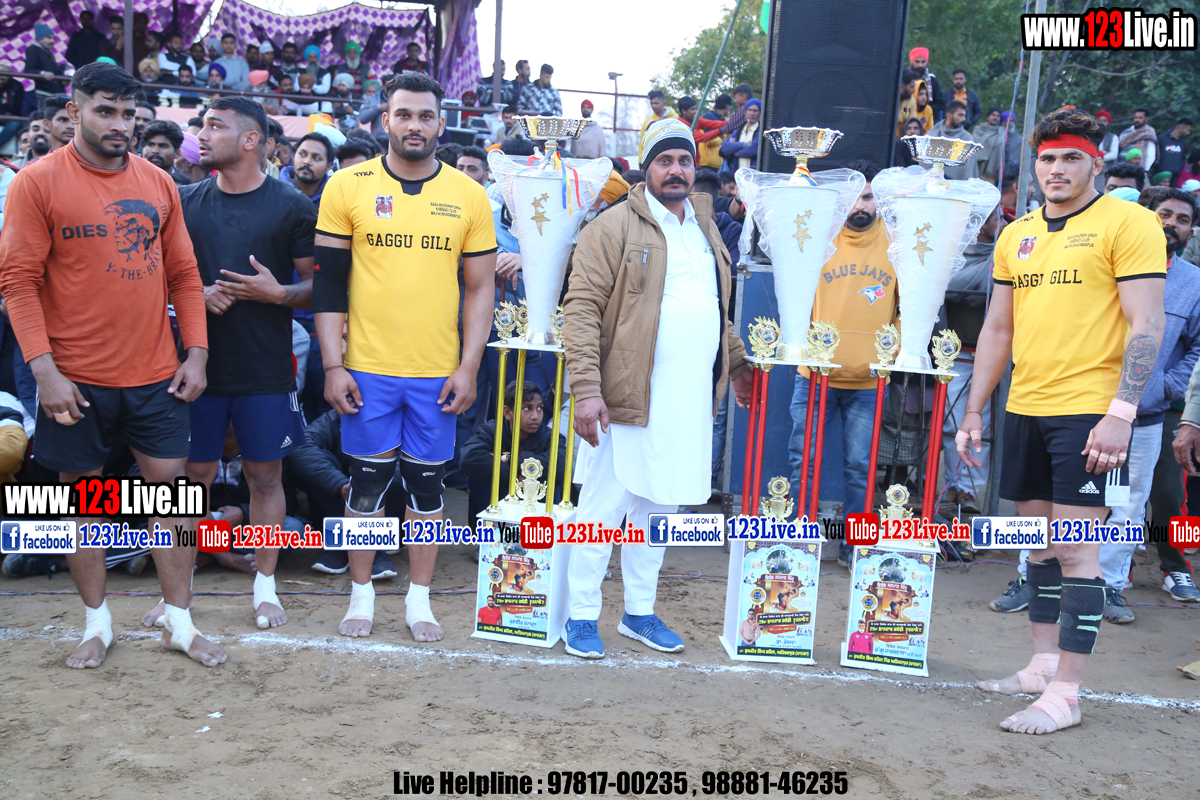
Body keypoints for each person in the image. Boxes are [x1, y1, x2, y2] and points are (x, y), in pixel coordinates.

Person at [0, 62, 221, 668]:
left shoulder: (158, 182)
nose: (119, 124)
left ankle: (179, 622)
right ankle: (96, 625)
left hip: (155, 373)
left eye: (127, 113)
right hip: (74, 378)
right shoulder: (36, 182)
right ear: (74, 111)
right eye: (105, 111)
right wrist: (44, 371)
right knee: (78, 503)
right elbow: (17, 283)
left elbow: (185, 275)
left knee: (173, 495)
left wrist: (196, 353)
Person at [959, 109, 1167, 734]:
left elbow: (1147, 323)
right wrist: (974, 410)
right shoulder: (1016, 234)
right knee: (1040, 547)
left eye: (1071, 157)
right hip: (1025, 407)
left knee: (1077, 551)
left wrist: (1121, 414)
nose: (1057, 169)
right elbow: (998, 328)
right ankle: (1041, 667)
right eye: (1047, 158)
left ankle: (1068, 695)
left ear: (1094, 163)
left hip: (1091, 412)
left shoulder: (1128, 223)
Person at [312, 72, 497, 642]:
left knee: (428, 489)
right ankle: (361, 596)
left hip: (437, 372)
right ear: (385, 119)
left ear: (441, 123)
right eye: (404, 114)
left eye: (425, 116)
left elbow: (480, 288)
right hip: (367, 368)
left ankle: (420, 601)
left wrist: (469, 366)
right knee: (366, 486)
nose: (414, 125)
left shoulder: (469, 194)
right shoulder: (347, 186)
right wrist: (333, 365)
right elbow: (328, 285)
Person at [561, 119, 753, 659]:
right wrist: (586, 388)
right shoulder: (611, 227)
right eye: (664, 161)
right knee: (602, 510)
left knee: (660, 510)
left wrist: (738, 362)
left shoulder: (704, 226)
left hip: (687, 401)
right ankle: (581, 615)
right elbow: (580, 309)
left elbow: (713, 309)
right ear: (646, 168)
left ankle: (638, 612)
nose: (676, 170)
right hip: (624, 396)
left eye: (684, 161)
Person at [167, 97, 316, 632]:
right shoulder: (183, 200)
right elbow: (155, 279)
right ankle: (176, 592)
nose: (201, 135)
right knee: (189, 480)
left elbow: (321, 287)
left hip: (265, 369)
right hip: (194, 368)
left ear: (251, 140)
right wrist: (194, 296)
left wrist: (277, 294)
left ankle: (265, 587)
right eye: (202, 126)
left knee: (265, 476)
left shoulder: (292, 205)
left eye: (215, 126)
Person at [788, 160, 898, 567]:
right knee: (803, 462)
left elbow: (911, 307)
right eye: (852, 197)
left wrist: (891, 350)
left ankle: (857, 549)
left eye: (867, 197)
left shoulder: (899, 241)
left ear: (878, 200)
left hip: (869, 382)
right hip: (814, 377)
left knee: (861, 469)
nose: (860, 206)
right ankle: (800, 542)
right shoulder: (817, 235)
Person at [1098, 187, 1200, 620]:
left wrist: (1165, 386)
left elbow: (1197, 348)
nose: (1172, 224)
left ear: (1191, 231)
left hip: (1153, 411)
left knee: (1148, 499)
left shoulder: (1193, 282)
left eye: (1183, 219)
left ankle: (1130, 579)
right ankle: (1044, 578)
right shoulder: (1106, 264)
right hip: (1086, 403)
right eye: (1164, 214)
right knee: (1068, 497)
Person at [939, 212, 1004, 525]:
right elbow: (945, 290)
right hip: (954, 351)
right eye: (994, 219)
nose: (1000, 224)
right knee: (951, 423)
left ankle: (972, 493)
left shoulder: (1002, 255)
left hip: (990, 353)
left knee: (983, 426)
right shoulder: (951, 256)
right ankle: (953, 487)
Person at [460, 380, 566, 529]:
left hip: (536, 516)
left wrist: (509, 459)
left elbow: (561, 466)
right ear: (507, 412)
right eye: (527, 408)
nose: (535, 416)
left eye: (540, 408)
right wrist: (518, 476)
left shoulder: (550, 436)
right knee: (481, 477)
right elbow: (468, 459)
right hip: (495, 510)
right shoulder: (491, 431)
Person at [929, 100, 978, 180]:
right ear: (949, 115)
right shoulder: (933, 134)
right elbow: (925, 165)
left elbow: (969, 171)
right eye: (960, 115)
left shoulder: (967, 139)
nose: (964, 119)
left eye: (964, 115)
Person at [282, 132, 332, 204]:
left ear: (328, 167)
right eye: (302, 154)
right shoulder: (273, 189)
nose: (307, 162)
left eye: (316, 158)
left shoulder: (335, 198)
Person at [25, 24, 67, 104]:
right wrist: (43, 73)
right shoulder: (33, 49)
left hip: (57, 93)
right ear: (40, 39)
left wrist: (62, 80)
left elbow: (52, 70)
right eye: (49, 38)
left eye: (53, 38)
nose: (52, 41)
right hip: (45, 94)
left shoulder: (48, 52)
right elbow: (28, 70)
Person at [141, 119, 190, 186]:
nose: (155, 151)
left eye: (163, 146)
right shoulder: (133, 178)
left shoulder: (184, 184)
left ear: (177, 153)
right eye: (151, 145)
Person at [637, 90, 679, 164]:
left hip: (672, 160)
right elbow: (642, 144)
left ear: (664, 103)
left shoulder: (676, 119)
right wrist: (641, 161)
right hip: (652, 161)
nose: (653, 106)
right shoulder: (647, 122)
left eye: (656, 103)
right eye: (651, 103)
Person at [719, 99, 760, 172]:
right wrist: (745, 145)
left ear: (760, 113)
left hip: (754, 174)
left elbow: (754, 149)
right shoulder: (738, 131)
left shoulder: (761, 131)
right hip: (736, 174)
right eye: (749, 110)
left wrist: (734, 149)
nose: (752, 113)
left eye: (755, 111)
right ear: (745, 112)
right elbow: (725, 147)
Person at [908, 46, 944, 123]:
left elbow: (939, 103)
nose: (920, 65)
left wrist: (925, 111)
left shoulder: (932, 80)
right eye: (917, 62)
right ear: (912, 62)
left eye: (923, 62)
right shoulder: (905, 79)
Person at [1154, 118, 1192, 186]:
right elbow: (1155, 155)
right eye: (1188, 130)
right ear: (1182, 128)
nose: (1188, 133)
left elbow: (1182, 158)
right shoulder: (1161, 139)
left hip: (1174, 177)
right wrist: (1158, 167)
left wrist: (1179, 169)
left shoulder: (1182, 142)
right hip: (1160, 176)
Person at [1118, 108, 1157, 172]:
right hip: (1121, 168)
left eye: (1140, 118)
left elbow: (1151, 155)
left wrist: (1144, 170)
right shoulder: (1126, 132)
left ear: (1146, 119)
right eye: (1136, 117)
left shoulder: (1148, 133)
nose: (1137, 120)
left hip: (1137, 170)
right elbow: (1118, 148)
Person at [974, 108, 1006, 183]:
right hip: (978, 164)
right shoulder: (979, 129)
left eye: (998, 116)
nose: (995, 117)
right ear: (988, 116)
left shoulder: (1001, 132)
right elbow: (975, 142)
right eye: (993, 115)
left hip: (991, 170)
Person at [0, 67, 28, 149]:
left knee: (15, 123)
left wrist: (9, 115)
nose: (1, 81)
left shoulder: (16, 86)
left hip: (10, 117)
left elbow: (18, 107)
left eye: (3, 79)